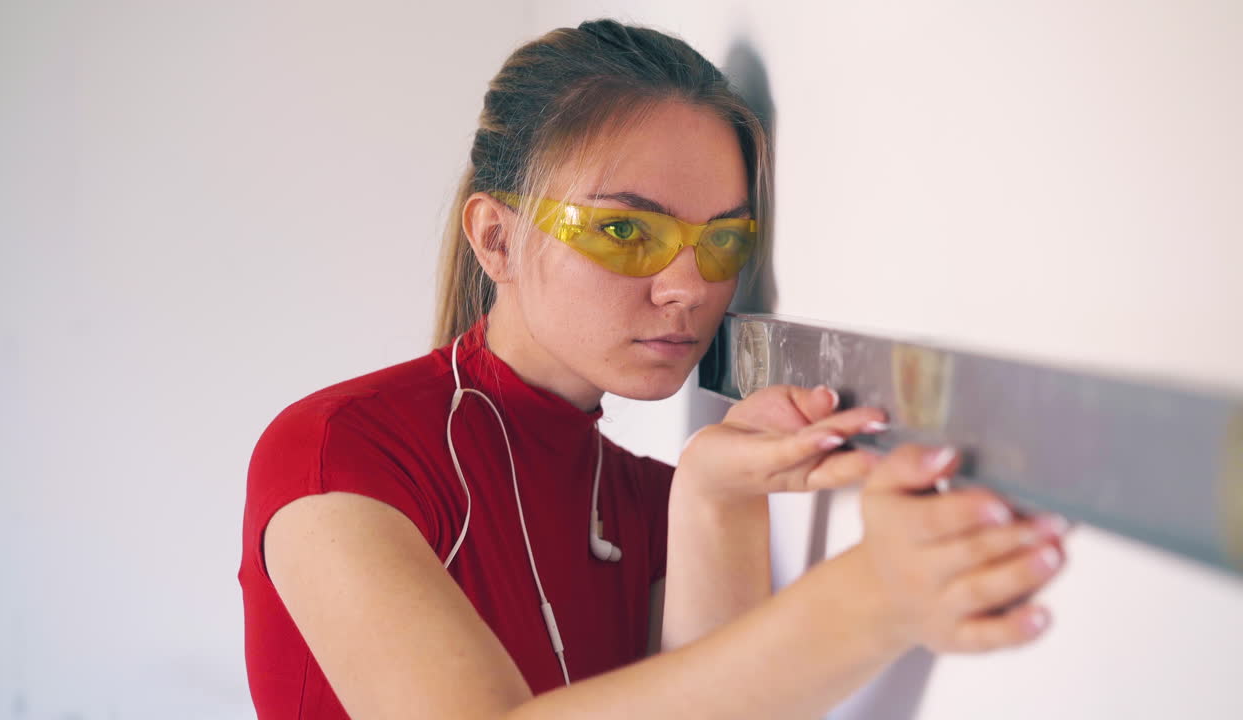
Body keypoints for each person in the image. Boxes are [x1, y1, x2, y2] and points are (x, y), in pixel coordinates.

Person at [238, 18, 1069, 719]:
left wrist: (712, 495)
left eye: (723, 242)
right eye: (627, 232)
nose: (687, 288)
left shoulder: (644, 500)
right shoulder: (339, 456)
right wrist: (875, 600)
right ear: (495, 238)